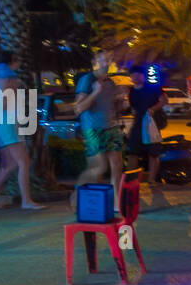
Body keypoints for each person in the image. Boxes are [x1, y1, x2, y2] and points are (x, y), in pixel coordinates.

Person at [70, 54, 126, 207]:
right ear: (95, 62)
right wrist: (95, 92)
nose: (106, 63)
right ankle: (77, 196)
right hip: (93, 129)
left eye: (109, 60)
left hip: (111, 127)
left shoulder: (111, 83)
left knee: (117, 165)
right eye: (103, 60)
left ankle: (116, 202)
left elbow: (116, 108)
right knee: (99, 167)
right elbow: (78, 109)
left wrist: (122, 100)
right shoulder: (87, 80)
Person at [0, 51, 44, 209]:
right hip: (7, 124)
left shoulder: (1, 74)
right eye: (18, 60)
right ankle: (26, 201)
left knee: (9, 165)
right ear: (13, 61)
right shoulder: (7, 76)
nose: (20, 63)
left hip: (4, 124)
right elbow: (2, 103)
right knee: (23, 162)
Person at [125, 67, 166, 186]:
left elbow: (164, 100)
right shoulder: (132, 91)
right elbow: (133, 110)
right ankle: (130, 180)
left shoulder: (153, 87)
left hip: (151, 124)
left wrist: (153, 109)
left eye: (138, 75)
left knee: (153, 153)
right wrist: (132, 127)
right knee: (133, 153)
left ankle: (151, 180)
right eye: (133, 75)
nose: (136, 77)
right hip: (138, 124)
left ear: (143, 76)